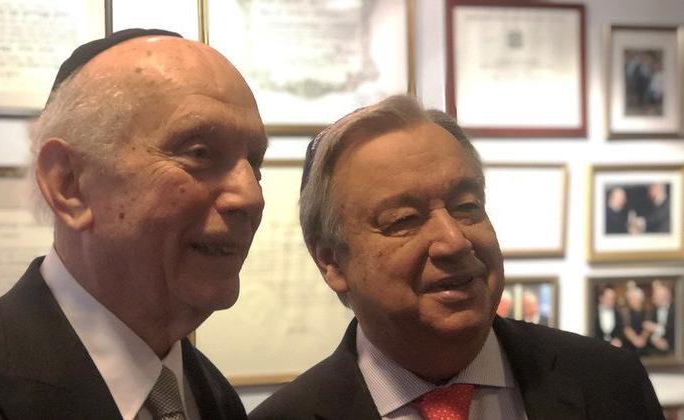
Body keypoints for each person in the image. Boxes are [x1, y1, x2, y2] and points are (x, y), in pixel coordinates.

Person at [250, 95, 663, 420]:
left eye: (467, 207)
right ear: (331, 262)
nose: (453, 241)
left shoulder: (608, 382)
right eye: (404, 219)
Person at [0, 28, 267, 419]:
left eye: (255, 163)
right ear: (69, 184)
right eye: (199, 152)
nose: (251, 196)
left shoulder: (214, 398)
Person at [643, 280, 675, 354]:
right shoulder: (652, 311)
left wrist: (656, 328)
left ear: (664, 296)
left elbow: (676, 330)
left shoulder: (676, 310)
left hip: (673, 350)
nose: (653, 298)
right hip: (654, 350)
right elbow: (647, 331)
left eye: (655, 296)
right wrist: (655, 340)